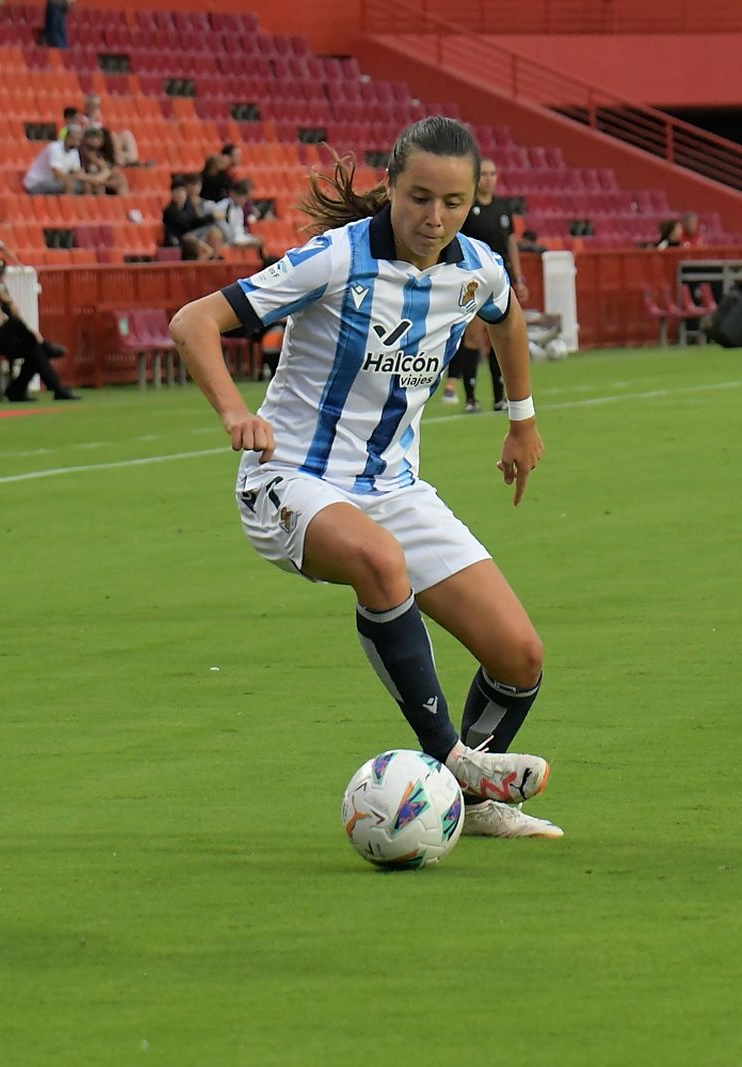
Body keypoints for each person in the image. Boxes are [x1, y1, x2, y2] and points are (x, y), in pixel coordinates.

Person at [168, 116, 560, 840]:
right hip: (290, 478)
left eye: (452, 202)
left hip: (395, 487)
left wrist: (522, 419)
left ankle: (465, 804)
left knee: (521, 656)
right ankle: (451, 760)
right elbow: (195, 321)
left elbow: (506, 318)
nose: (433, 217)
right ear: (390, 188)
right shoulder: (334, 260)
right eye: (418, 197)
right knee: (381, 560)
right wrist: (234, 414)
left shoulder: (477, 266)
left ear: (475, 200)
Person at [450, 158, 526, 412]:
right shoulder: (468, 207)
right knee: (473, 337)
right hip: (473, 280)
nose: (489, 178)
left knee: (500, 336)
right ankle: (470, 397)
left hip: (501, 279)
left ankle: (499, 396)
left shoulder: (503, 207)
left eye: (493, 173)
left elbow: (511, 243)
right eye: (484, 174)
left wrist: (519, 276)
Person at [0, 261, 77, 402]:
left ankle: (24, 390)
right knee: (16, 325)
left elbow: (15, 313)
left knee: (34, 349)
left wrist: (9, 301)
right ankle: (46, 348)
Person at [22, 125, 82, 195]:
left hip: (56, 181)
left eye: (79, 139)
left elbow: (77, 172)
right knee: (65, 184)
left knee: (80, 186)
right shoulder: (54, 148)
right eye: (75, 139)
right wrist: (73, 178)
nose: (77, 142)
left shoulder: (74, 151)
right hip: (37, 183)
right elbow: (57, 174)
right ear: (67, 138)